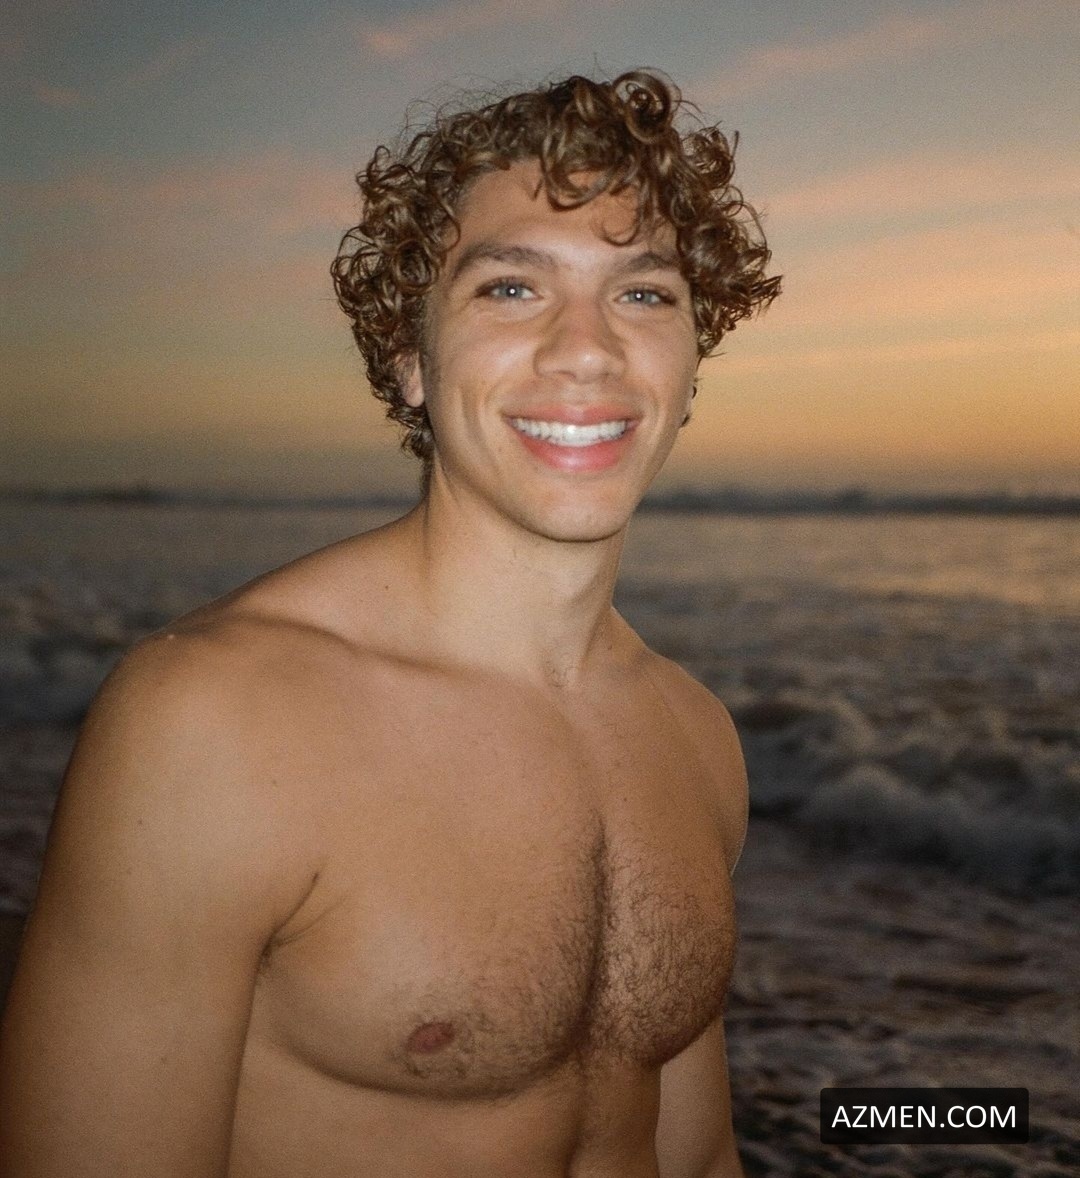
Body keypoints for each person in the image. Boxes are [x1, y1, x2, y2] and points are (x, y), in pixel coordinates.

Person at [0, 69, 778, 1176]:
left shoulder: (696, 739)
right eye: (511, 287)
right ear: (411, 359)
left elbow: (695, 1155)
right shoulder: (210, 723)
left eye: (644, 294)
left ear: (694, 360)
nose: (587, 348)